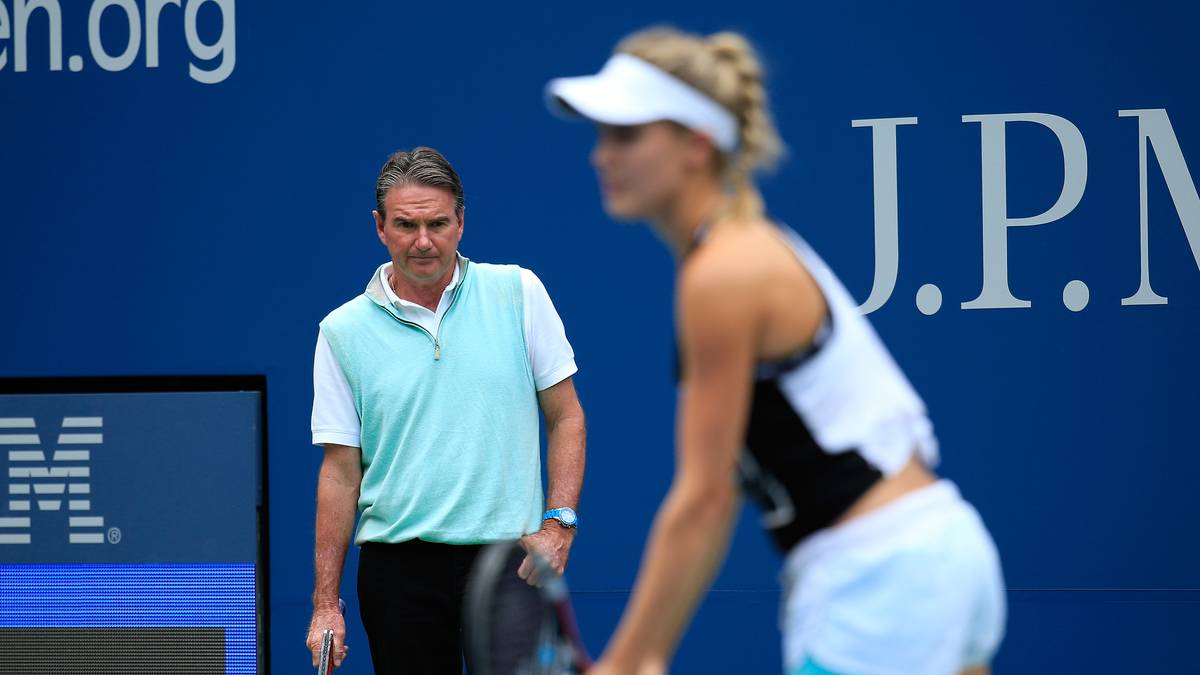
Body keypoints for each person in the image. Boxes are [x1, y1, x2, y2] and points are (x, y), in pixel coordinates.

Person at [545, 27, 1005, 675]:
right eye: (602, 135)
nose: (602, 156)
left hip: (881, 581)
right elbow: (724, 491)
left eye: (627, 135)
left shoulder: (722, 273)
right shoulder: (747, 248)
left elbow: (704, 498)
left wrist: (628, 659)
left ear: (696, 144)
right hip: (937, 556)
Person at [304, 147, 587, 674]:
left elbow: (566, 416)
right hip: (397, 570)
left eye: (437, 223)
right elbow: (340, 473)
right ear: (380, 227)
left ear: (461, 222)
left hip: (510, 564)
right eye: (405, 225)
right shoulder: (341, 331)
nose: (423, 241)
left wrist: (559, 525)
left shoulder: (518, 292)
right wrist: (325, 604)